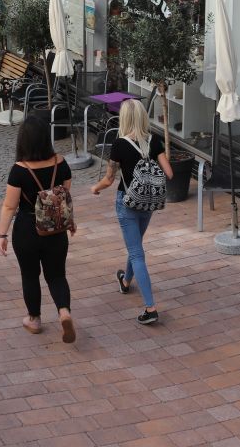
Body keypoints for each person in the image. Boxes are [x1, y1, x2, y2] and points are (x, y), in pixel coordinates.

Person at [91, 99, 172, 325]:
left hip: (127, 202)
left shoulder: (119, 144)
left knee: (136, 253)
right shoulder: (154, 141)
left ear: (125, 119)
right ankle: (126, 281)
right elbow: (169, 173)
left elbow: (109, 179)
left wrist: (95, 188)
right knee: (135, 245)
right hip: (148, 203)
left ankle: (150, 308)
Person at [0, 117, 77, 343]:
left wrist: (2, 234)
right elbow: (65, 198)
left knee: (30, 275)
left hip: (27, 230)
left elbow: (9, 206)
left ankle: (34, 319)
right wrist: (71, 221)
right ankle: (64, 311)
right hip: (56, 230)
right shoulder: (61, 163)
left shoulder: (19, 170)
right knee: (57, 275)